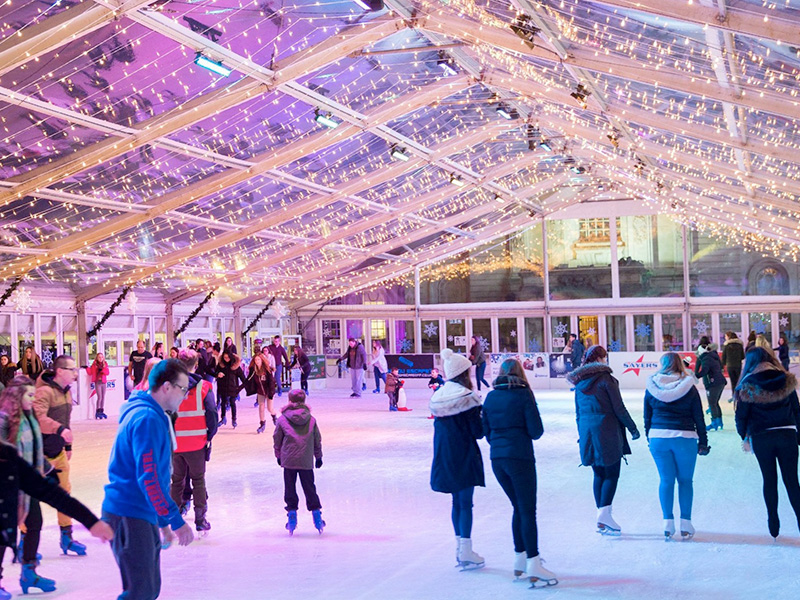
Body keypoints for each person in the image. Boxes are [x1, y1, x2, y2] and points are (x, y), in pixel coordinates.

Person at [103, 359, 195, 600]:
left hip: (137, 513)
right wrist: (175, 521)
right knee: (141, 592)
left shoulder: (149, 413)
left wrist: (162, 523)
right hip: (128, 513)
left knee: (147, 589)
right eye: (182, 389)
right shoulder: (148, 419)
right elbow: (150, 478)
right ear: (166, 387)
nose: (185, 396)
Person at [0, 434, 113, 598]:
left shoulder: (6, 455)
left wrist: (91, 522)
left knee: (34, 522)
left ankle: (29, 572)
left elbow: (47, 491)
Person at [482, 358, 557, 588]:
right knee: (527, 510)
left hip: (498, 460)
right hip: (520, 458)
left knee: (518, 508)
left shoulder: (491, 396)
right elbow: (536, 432)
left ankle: (520, 557)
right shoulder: (523, 395)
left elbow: (485, 431)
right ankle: (533, 562)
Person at [567, 345, 640, 535]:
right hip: (606, 430)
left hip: (587, 432)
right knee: (612, 473)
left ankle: (601, 517)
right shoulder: (607, 379)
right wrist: (633, 428)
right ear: (599, 358)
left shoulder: (579, 383)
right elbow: (619, 408)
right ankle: (605, 514)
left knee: (598, 474)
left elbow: (578, 413)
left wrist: (581, 434)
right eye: (604, 357)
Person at [735, 347, 800, 539]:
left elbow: (741, 417)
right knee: (792, 481)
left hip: (762, 437)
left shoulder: (748, 383)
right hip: (787, 435)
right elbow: (797, 410)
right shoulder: (785, 379)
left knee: (769, 480)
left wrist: (745, 436)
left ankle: (773, 520)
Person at [644, 353, 710, 540]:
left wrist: (650, 437)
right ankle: (686, 524)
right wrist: (703, 441)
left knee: (666, 481)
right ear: (680, 364)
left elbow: (647, 416)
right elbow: (699, 417)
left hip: (658, 438)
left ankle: (667, 523)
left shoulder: (652, 386)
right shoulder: (689, 387)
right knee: (685, 481)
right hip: (685, 437)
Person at [429, 348, 485, 570]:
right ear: (464, 374)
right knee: (466, 503)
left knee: (456, 502)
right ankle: (466, 550)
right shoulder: (467, 397)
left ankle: (460, 547)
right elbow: (478, 431)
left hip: (444, 454)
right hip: (464, 454)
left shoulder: (439, 396)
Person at [33, 355, 86, 556]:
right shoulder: (44, 392)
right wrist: (59, 429)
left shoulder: (66, 393)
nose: (75, 373)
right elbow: (38, 418)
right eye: (71, 369)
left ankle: (67, 537)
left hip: (58, 453)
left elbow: (67, 419)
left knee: (64, 494)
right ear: (60, 371)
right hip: (38, 454)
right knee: (31, 498)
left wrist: (68, 444)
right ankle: (24, 543)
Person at [171, 349, 217, 536]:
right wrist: (209, 436)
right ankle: (200, 519)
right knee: (198, 481)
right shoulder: (204, 387)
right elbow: (212, 414)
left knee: (176, 482)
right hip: (197, 443)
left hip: (175, 443)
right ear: (196, 365)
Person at [273, 390, 325, 535]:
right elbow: (317, 439)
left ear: (290, 400)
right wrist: (318, 456)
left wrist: (278, 455)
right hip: (306, 459)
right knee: (309, 487)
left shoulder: (283, 419)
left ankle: (292, 516)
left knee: (290, 487)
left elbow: (277, 438)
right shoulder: (311, 419)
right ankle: (316, 515)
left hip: (289, 459)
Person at [694, 336, 726, 431]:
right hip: (719, 382)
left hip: (713, 383)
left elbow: (704, 371)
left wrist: (696, 376)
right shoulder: (712, 356)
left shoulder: (706, 359)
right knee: (715, 403)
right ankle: (719, 421)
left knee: (712, 403)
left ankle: (714, 422)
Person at [215, 350, 246, 428]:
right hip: (223, 387)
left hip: (233, 388)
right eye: (225, 357)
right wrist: (218, 374)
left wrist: (239, 388)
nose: (226, 359)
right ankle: (223, 418)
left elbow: (243, 379)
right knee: (223, 403)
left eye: (228, 357)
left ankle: (234, 419)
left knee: (232, 403)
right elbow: (215, 372)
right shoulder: (221, 365)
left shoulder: (235, 366)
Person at [248, 353, 276, 433]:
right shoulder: (254, 370)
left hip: (269, 391)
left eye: (258, 359)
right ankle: (262, 423)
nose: (257, 361)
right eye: (255, 360)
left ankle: (274, 416)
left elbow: (271, 382)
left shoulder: (267, 369)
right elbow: (248, 380)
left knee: (270, 408)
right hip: (260, 391)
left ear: (262, 360)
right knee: (261, 407)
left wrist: (271, 393)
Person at [722, 332, 745, 403]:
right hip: (738, 365)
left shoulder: (726, 345)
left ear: (729, 336)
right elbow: (743, 356)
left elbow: (724, 357)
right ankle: (739, 395)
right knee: (739, 380)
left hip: (730, 365)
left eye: (725, 336)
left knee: (733, 381)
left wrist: (723, 365)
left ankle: (734, 395)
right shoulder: (740, 345)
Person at [86, 352, 110, 420]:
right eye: (99, 357)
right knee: (99, 397)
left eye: (102, 357)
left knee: (103, 397)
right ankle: (97, 411)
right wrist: (87, 368)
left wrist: (102, 371)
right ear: (97, 358)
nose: (100, 358)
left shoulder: (105, 364)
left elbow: (107, 372)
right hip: (98, 382)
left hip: (103, 382)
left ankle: (102, 410)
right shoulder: (94, 365)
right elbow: (90, 372)